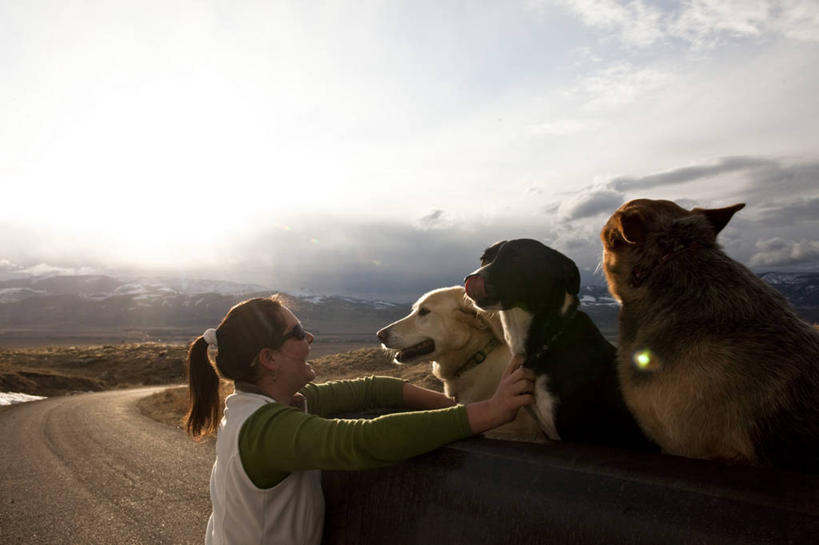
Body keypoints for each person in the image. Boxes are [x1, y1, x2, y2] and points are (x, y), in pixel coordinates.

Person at [185, 295, 535, 545]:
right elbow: (366, 441)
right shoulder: (267, 431)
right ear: (269, 359)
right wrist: (490, 412)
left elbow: (372, 390)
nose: (309, 339)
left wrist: (452, 404)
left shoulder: (271, 405)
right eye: (297, 333)